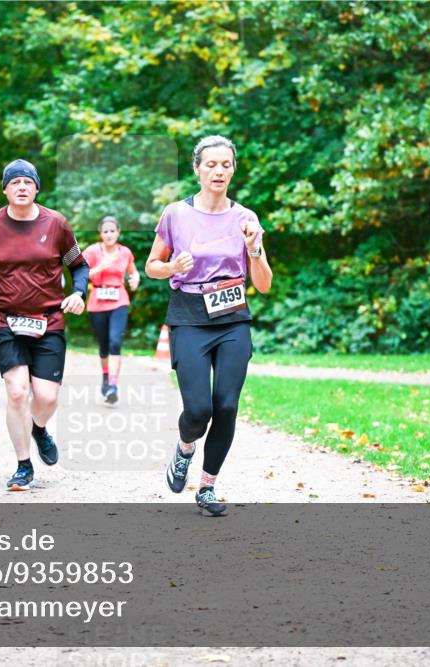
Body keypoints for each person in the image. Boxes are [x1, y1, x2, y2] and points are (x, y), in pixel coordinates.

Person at [144, 135, 273, 517]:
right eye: (211, 164)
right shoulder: (175, 214)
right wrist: (172, 268)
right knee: (199, 408)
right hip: (188, 314)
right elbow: (152, 265)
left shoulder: (246, 218)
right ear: (197, 169)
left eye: (226, 165)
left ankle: (207, 487)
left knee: (227, 405)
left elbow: (264, 284)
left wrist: (253, 249)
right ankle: (185, 448)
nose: (219, 171)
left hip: (232, 314)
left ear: (233, 169)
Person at [0, 158, 89, 491]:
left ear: (36, 188)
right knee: (17, 391)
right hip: (5, 320)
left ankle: (38, 428)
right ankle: (23, 465)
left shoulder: (57, 224)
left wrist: (78, 293)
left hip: (49, 321)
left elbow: (81, 266)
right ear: (5, 189)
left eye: (27, 182)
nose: (21, 187)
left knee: (45, 398)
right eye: (14, 182)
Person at [82, 216, 140, 404]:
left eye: (112, 231)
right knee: (104, 346)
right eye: (105, 231)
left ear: (118, 232)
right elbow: (81, 274)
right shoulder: (91, 251)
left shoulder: (125, 252)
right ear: (100, 233)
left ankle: (113, 385)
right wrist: (100, 267)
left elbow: (133, 271)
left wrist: (135, 280)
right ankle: (106, 377)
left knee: (115, 341)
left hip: (119, 300)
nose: (109, 234)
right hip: (97, 301)